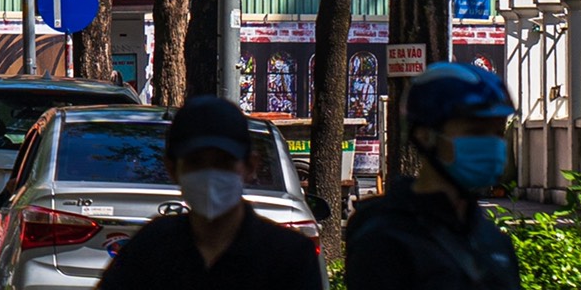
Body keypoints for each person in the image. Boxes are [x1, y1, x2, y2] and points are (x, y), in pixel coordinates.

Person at [101, 95, 324, 290]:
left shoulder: (289, 257)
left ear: (250, 166)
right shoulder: (149, 250)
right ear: (171, 168)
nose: (210, 175)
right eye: (196, 162)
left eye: (223, 162)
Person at [344, 62, 521, 290]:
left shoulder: (493, 240)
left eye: (497, 133)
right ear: (425, 136)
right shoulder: (384, 238)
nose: (492, 144)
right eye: (475, 132)